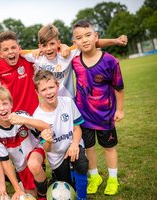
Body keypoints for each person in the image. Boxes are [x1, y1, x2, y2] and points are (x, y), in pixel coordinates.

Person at [71, 19, 125, 196]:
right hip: (83, 115)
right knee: (89, 148)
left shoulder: (110, 61)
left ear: (96, 37)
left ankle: (112, 178)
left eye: (88, 35)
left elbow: (118, 87)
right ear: (75, 42)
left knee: (109, 147)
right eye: (79, 37)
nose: (84, 40)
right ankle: (94, 177)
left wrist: (120, 109)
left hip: (105, 114)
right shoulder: (75, 61)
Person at [21, 24, 128, 99]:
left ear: (58, 43)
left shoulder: (67, 53)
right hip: (49, 104)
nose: (48, 49)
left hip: (69, 102)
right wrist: (38, 50)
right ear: (39, 46)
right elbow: (14, 52)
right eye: (44, 45)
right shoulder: (36, 55)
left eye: (52, 44)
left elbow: (93, 43)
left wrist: (115, 41)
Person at [33, 70, 88, 200]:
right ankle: (62, 175)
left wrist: (75, 144)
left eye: (51, 87)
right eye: (44, 89)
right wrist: (48, 141)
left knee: (81, 163)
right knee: (67, 185)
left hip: (72, 146)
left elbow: (77, 127)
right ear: (37, 93)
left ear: (57, 86)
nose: (49, 92)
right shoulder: (37, 116)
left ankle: (82, 197)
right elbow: (46, 148)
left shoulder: (68, 102)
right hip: (57, 156)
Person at [0, 85, 50, 200]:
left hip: (35, 153)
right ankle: (39, 187)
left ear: (11, 104)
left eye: (5, 103)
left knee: (34, 165)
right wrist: (17, 189)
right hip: (21, 167)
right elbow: (5, 163)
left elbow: (46, 127)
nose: (2, 108)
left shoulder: (21, 115)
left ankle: (43, 196)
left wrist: (24, 120)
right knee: (30, 196)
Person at [0, 31, 39, 115]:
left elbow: (45, 50)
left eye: (13, 48)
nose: (10, 52)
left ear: (19, 49)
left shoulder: (28, 59)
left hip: (34, 113)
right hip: (12, 116)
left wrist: (63, 46)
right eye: (6, 49)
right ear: (1, 53)